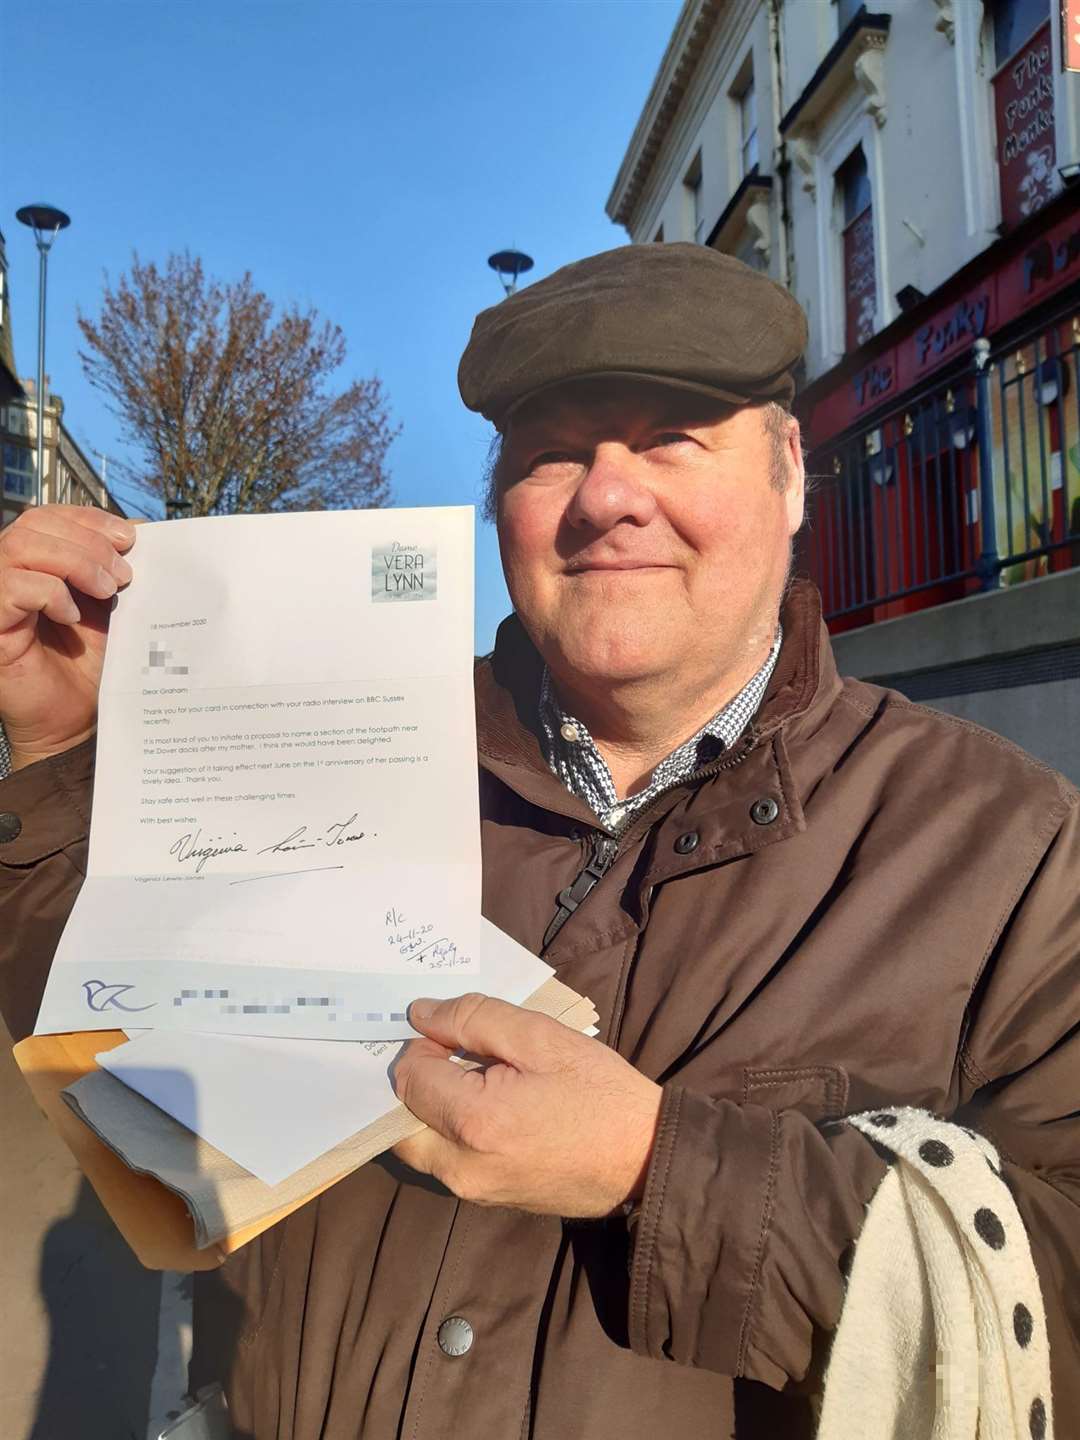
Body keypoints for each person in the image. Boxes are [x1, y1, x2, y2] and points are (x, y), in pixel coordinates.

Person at [0, 244, 1077, 1439]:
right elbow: (114, 1056)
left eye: (673, 436)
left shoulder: (1009, 848)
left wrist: (654, 1167)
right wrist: (61, 765)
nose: (606, 496)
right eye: (553, 449)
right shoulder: (329, 754)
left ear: (789, 478)